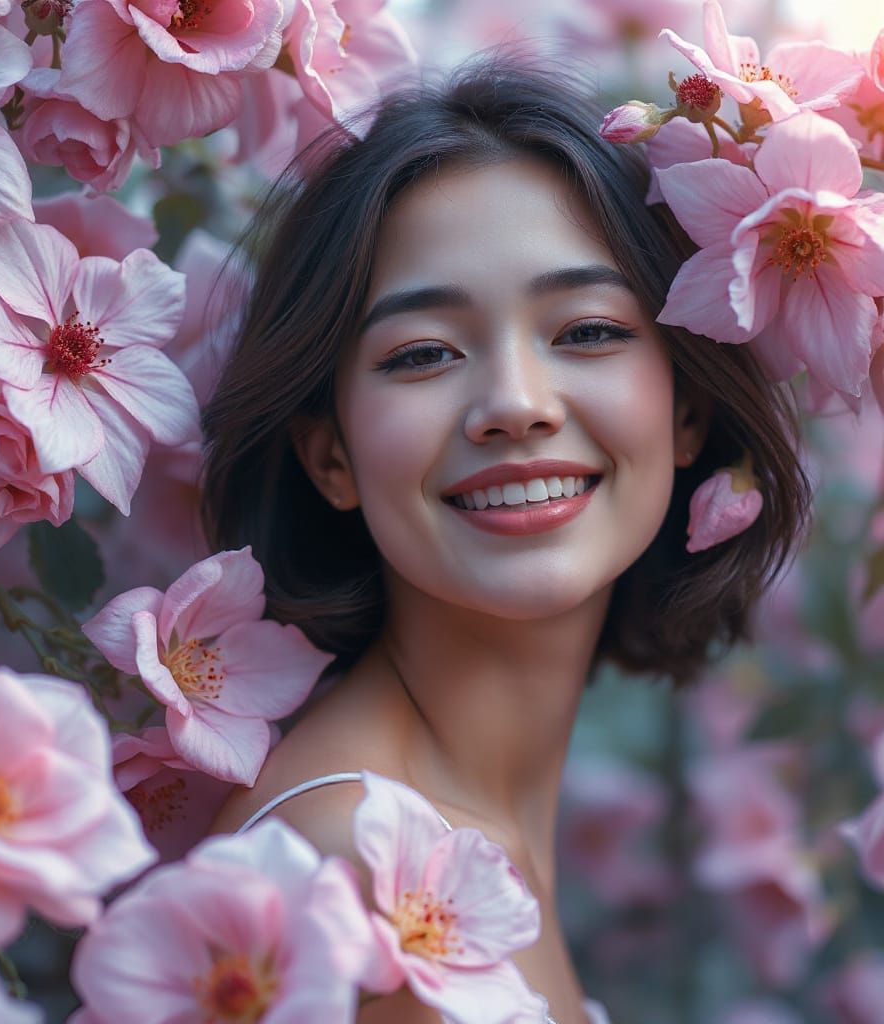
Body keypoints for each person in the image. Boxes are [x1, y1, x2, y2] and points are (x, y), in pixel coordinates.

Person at [200, 53, 811, 1024]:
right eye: (424, 353)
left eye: (586, 332)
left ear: (687, 406)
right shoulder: (349, 885)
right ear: (332, 458)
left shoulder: (456, 830)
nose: (516, 406)